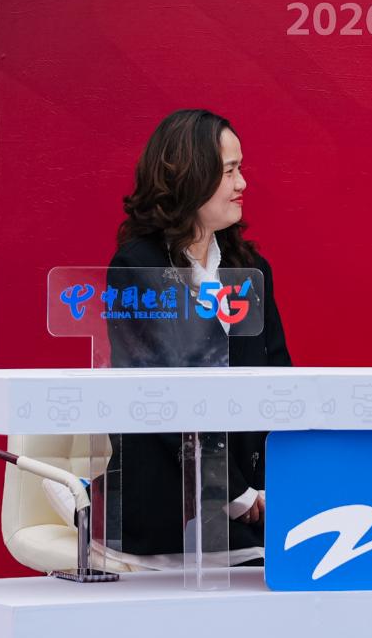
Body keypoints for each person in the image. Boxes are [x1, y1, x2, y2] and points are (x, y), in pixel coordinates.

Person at [108, 108, 292, 558]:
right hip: (170, 508)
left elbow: (278, 378)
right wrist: (230, 492)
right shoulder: (138, 267)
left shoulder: (249, 269)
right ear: (188, 177)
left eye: (240, 168)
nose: (242, 183)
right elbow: (158, 397)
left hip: (254, 506)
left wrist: (272, 485)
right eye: (229, 171)